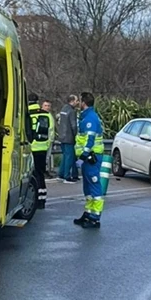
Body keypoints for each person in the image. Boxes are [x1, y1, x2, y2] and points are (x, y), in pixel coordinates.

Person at [73, 92, 105, 228]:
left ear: (84, 102)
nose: (77, 103)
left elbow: (90, 141)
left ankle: (95, 218)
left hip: (92, 157)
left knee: (94, 186)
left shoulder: (90, 119)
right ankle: (88, 213)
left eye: (79, 101)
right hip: (87, 158)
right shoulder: (85, 117)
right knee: (88, 187)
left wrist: (83, 157)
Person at [27, 93, 54, 209]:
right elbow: (51, 132)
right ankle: (41, 200)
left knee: (27, 175)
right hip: (42, 148)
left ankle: (29, 199)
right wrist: (47, 145)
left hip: (27, 148)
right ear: (38, 101)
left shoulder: (25, 113)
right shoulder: (46, 114)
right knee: (40, 174)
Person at [56, 94, 79, 183]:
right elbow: (73, 125)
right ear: (72, 101)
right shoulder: (72, 111)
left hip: (62, 136)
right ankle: (67, 176)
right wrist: (75, 135)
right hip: (69, 137)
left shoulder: (63, 109)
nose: (77, 102)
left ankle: (61, 174)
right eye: (76, 100)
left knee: (65, 156)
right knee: (69, 157)